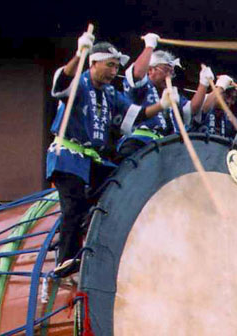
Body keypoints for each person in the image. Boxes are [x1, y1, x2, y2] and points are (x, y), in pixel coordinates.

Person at [46, 33, 177, 276]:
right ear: (93, 63)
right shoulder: (79, 83)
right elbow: (61, 85)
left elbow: (134, 115)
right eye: (110, 65)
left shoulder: (109, 94)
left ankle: (92, 229)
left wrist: (162, 105)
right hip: (68, 155)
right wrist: (78, 54)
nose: (114, 71)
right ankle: (65, 260)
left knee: (119, 180)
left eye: (117, 66)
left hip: (91, 159)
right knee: (72, 205)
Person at [117, 33, 209, 157]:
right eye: (166, 70)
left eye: (172, 72)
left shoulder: (171, 94)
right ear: (151, 70)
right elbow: (138, 73)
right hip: (138, 142)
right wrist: (149, 47)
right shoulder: (142, 85)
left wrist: (204, 83)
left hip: (163, 148)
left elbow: (192, 108)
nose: (169, 76)